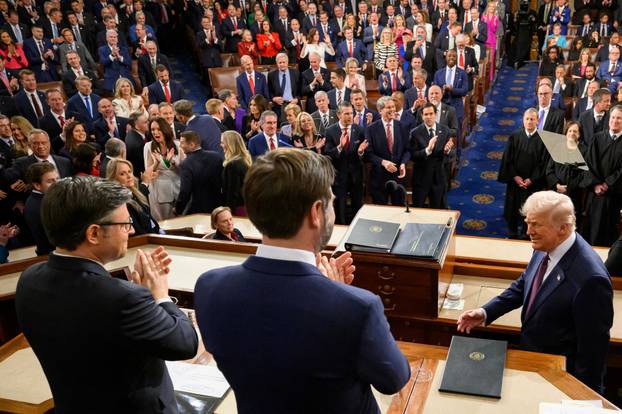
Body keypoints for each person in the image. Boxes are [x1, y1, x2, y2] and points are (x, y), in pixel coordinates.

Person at [194, 148, 410, 413]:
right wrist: (338, 294)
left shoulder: (209, 287)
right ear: (316, 212)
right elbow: (394, 379)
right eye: (330, 202)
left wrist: (332, 294)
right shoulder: (357, 308)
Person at [15, 176, 198, 412]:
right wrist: (160, 295)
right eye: (124, 224)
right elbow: (184, 344)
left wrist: (142, 302)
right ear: (93, 233)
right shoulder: (123, 299)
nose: (131, 230)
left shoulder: (28, 279)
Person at [457, 190, 613, 394]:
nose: (528, 230)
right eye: (528, 222)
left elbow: (592, 353)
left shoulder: (591, 280)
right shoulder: (546, 244)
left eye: (536, 224)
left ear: (563, 228)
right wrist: (487, 312)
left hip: (558, 378)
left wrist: (582, 398)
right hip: (534, 362)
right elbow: (525, 284)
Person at [498, 109, 551, 238]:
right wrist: (515, 176)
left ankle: (527, 233)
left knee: (530, 210)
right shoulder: (514, 137)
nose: (529, 122)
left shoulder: (543, 140)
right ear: (523, 120)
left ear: (538, 121)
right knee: (513, 208)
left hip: (533, 184)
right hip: (515, 182)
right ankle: (512, 231)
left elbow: (544, 163)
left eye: (532, 119)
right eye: (527, 119)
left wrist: (531, 179)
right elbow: (507, 160)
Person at [581, 105, 622, 247]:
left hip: (614, 196)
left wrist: (607, 184)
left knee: (609, 233)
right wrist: (597, 184)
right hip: (595, 194)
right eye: (613, 117)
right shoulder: (597, 138)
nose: (615, 121)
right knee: (591, 231)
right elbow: (589, 164)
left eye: (619, 118)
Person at [324, 101, 367, 224]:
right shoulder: (330, 131)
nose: (350, 116)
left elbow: (365, 154)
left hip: (356, 177)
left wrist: (360, 152)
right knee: (340, 209)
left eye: (351, 113)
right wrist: (339, 147)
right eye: (346, 113)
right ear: (339, 114)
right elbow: (327, 154)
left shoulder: (359, 130)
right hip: (339, 177)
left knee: (357, 208)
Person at [365, 96, 409, 205]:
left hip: (398, 176)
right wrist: (383, 162)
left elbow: (407, 150)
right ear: (380, 110)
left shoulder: (402, 127)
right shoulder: (371, 129)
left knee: (399, 210)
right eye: (389, 107)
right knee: (381, 212)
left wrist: (403, 163)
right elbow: (368, 154)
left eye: (393, 107)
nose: (392, 110)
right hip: (379, 178)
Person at [410, 102, 454, 208]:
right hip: (421, 179)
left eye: (431, 114)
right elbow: (413, 156)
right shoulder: (415, 133)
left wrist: (447, 151)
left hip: (438, 177)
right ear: (422, 116)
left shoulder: (445, 130)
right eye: (426, 114)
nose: (428, 117)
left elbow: (452, 154)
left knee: (437, 210)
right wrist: (427, 150)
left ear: (435, 114)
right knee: (418, 210)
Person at [106, 158, 160, 235]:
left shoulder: (134, 193)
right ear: (113, 178)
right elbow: (138, 231)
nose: (129, 176)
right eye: (122, 174)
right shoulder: (121, 202)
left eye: (129, 171)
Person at [144, 117, 184, 220]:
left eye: (158, 129)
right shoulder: (148, 147)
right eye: (152, 130)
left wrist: (172, 161)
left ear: (165, 129)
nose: (155, 132)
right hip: (159, 190)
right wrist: (156, 163)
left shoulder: (178, 145)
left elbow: (185, 169)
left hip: (177, 187)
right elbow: (148, 172)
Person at [175, 130, 223, 215]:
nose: (180, 146)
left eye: (182, 143)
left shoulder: (186, 164)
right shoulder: (216, 157)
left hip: (198, 210)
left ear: (192, 145)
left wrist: (178, 209)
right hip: (219, 206)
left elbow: (185, 191)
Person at [24, 162, 58, 256]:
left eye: (57, 179)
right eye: (50, 181)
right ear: (37, 185)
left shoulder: (41, 200)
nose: (57, 183)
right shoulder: (41, 206)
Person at [221, 130, 251, 216]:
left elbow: (232, 193)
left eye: (222, 143)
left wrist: (228, 213)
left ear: (230, 144)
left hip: (236, 210)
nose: (221, 145)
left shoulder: (233, 165)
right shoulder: (243, 161)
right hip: (244, 207)